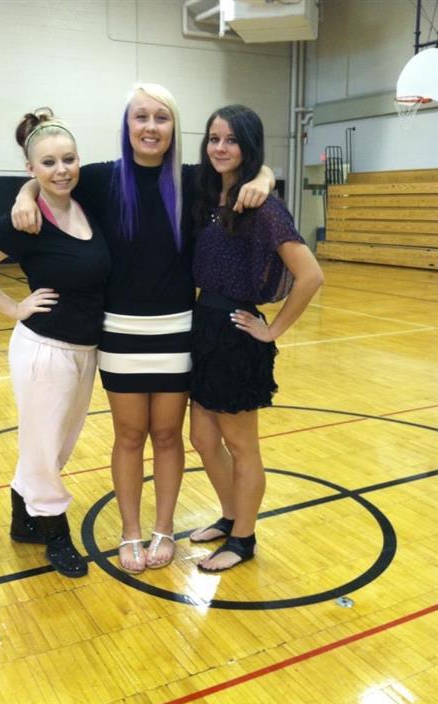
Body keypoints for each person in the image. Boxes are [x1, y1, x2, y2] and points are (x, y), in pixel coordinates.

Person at [12, 84, 276, 575]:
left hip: (177, 331)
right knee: (130, 436)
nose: (151, 127)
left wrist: (266, 174)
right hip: (119, 333)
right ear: (127, 125)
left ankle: (163, 529)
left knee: (168, 436)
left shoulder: (193, 180)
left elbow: (245, 169)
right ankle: (130, 530)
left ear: (174, 126)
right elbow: (49, 178)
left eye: (161, 117)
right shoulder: (100, 179)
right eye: (141, 117)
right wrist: (24, 193)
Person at [0, 109, 111, 578]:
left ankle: (23, 519)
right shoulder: (25, 220)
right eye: (48, 163)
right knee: (43, 447)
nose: (61, 170)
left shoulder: (87, 202)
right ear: (30, 168)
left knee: (57, 445)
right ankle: (55, 533)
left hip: (85, 351)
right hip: (45, 351)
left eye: (69, 159)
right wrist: (13, 308)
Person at [188, 105, 324, 572]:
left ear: (248, 146)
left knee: (242, 445)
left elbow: (310, 275)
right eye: (213, 138)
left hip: (235, 334)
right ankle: (231, 517)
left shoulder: (263, 207)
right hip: (204, 328)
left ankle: (243, 539)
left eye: (231, 140)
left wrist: (272, 330)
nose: (220, 147)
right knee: (203, 439)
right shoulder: (208, 196)